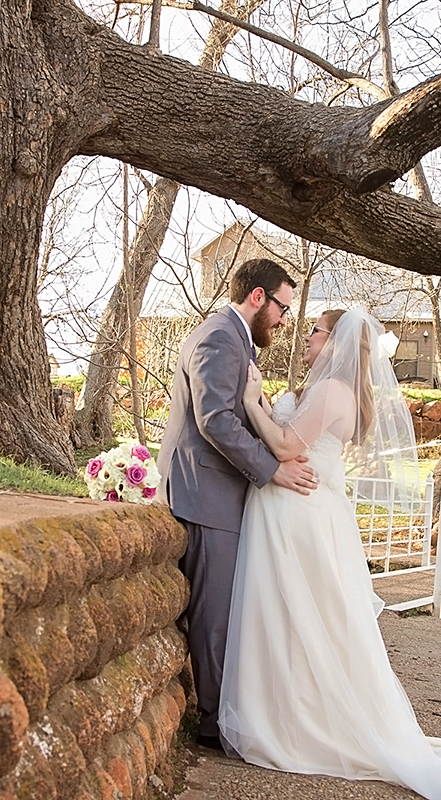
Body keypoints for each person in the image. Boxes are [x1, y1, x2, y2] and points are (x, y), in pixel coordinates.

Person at [218, 309, 441, 800]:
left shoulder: (333, 391)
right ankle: (290, 712)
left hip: (298, 514)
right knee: (300, 618)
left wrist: (251, 404)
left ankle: (293, 722)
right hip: (301, 512)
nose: (307, 336)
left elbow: (289, 445)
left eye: (315, 329)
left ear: (333, 341)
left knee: (298, 616)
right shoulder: (332, 390)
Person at [158, 258, 319, 751]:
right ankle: (214, 725)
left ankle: (222, 715)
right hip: (205, 495)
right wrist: (274, 470)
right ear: (257, 296)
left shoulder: (235, 338)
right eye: (282, 308)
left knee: (224, 610)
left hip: (220, 493)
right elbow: (214, 421)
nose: (285, 320)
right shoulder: (219, 337)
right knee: (215, 615)